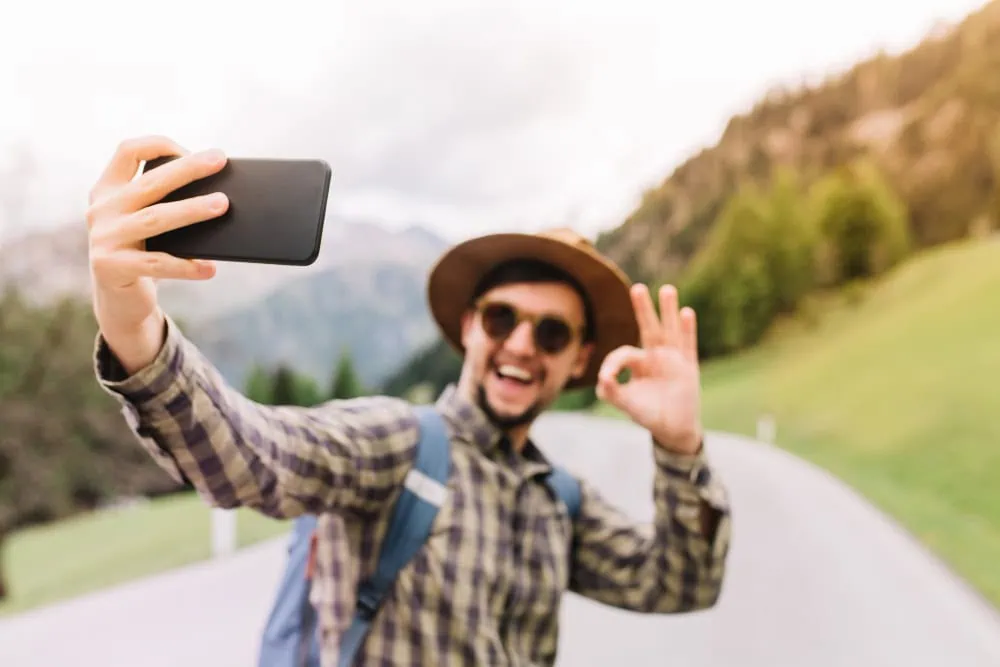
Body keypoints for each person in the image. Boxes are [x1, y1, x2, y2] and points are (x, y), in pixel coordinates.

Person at [88, 136, 732, 666]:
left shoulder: (558, 500)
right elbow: (250, 454)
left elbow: (680, 583)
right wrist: (134, 328)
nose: (522, 344)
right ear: (472, 327)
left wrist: (680, 447)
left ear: (579, 359)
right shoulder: (396, 444)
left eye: (553, 331)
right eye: (503, 317)